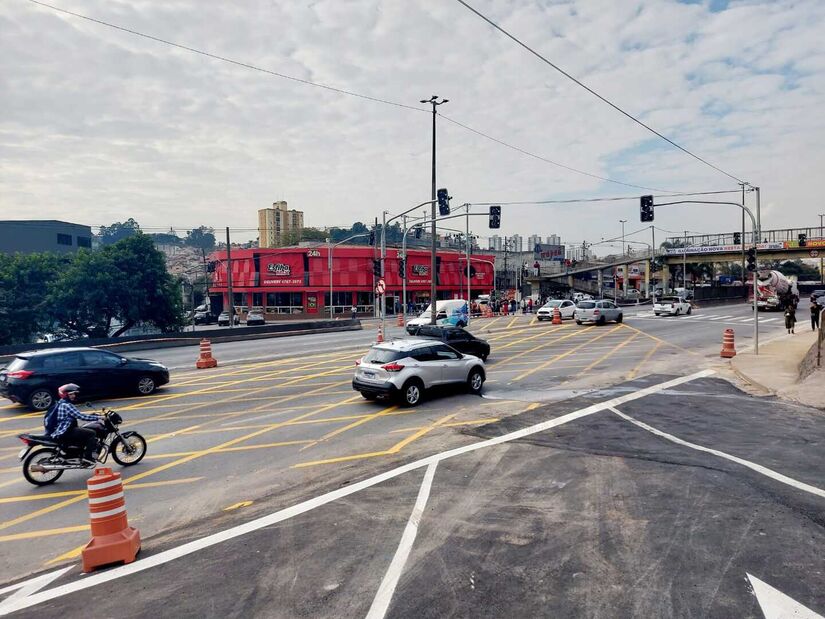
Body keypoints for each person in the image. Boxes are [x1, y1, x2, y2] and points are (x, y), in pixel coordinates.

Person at [49, 383, 101, 465]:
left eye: (74, 394)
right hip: (66, 430)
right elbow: (80, 416)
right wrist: (99, 417)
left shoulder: (61, 402)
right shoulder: (67, 405)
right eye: (71, 394)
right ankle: (88, 457)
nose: (73, 396)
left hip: (62, 429)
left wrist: (91, 414)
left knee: (83, 431)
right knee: (92, 433)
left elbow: (75, 413)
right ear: (65, 395)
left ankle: (80, 452)